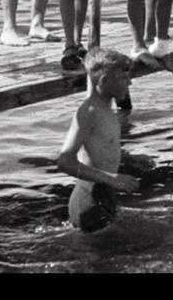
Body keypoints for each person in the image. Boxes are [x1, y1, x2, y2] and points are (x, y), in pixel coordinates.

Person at [57, 47, 141, 232]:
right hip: (89, 200)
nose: (130, 83)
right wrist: (112, 179)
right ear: (104, 81)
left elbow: (99, 151)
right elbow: (64, 161)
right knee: (96, 256)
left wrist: (131, 160)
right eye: (124, 78)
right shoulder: (89, 112)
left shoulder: (105, 107)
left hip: (104, 193)